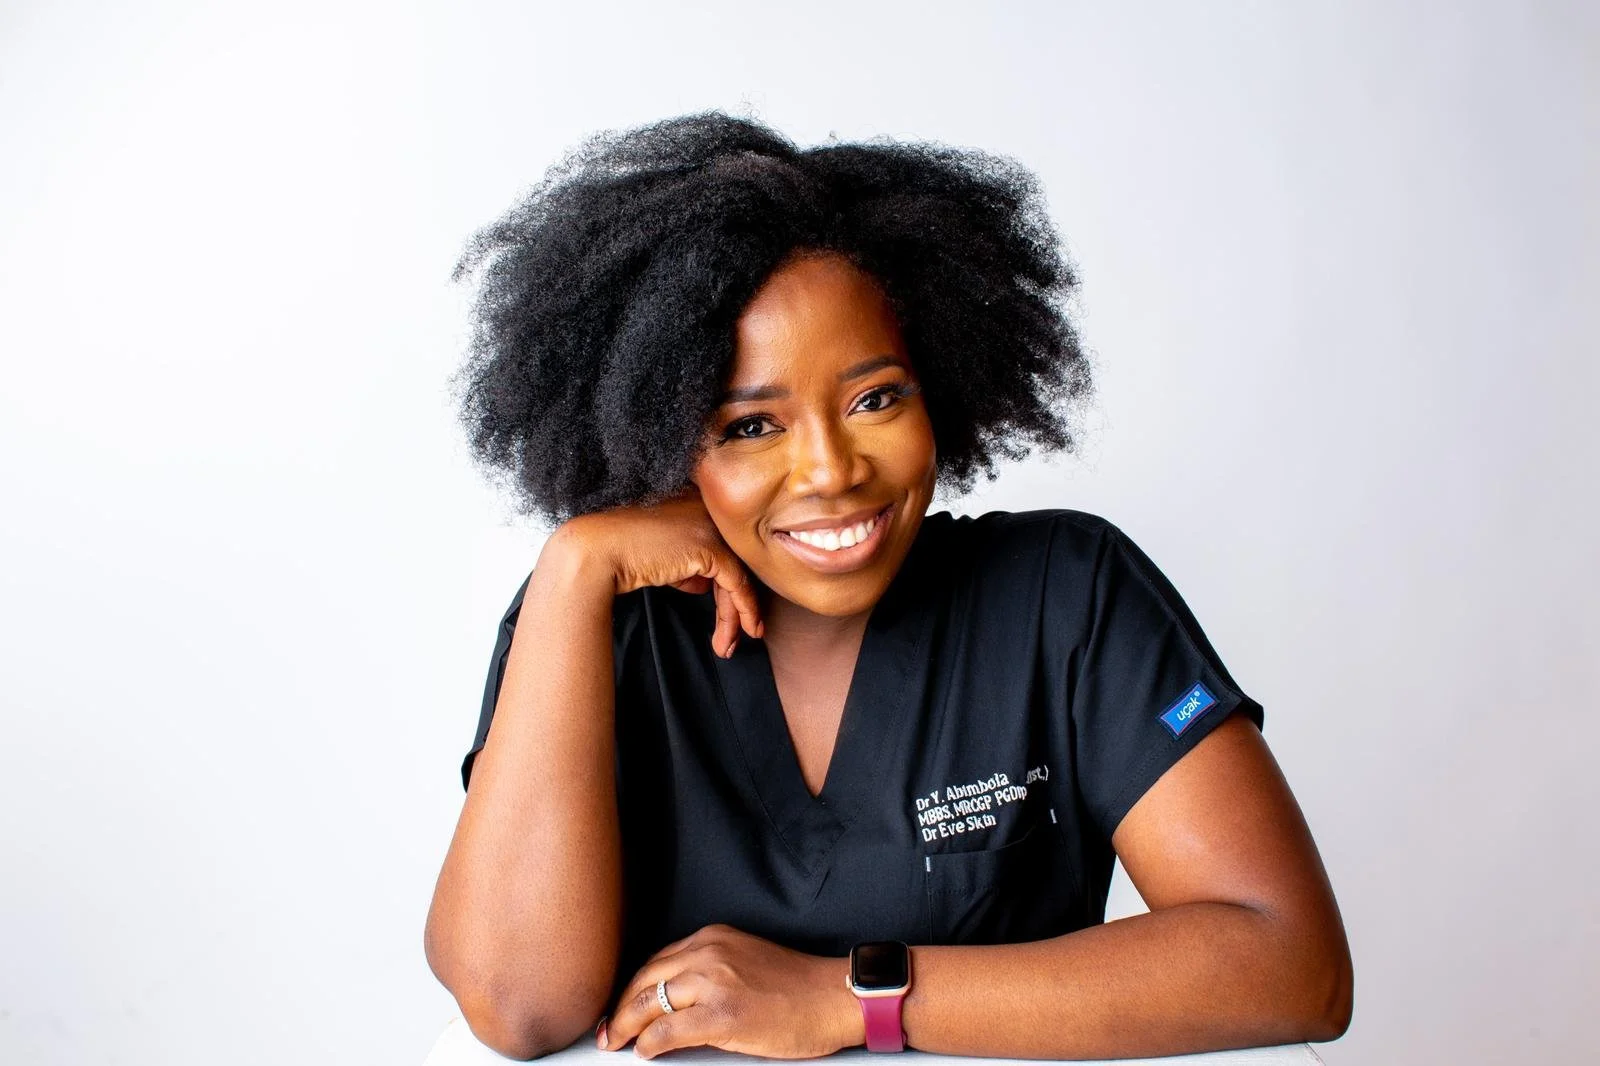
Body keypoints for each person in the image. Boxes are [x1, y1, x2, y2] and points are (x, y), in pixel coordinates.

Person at [423, 112, 1353, 1062]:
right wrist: (575, 563)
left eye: (875, 399)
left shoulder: (1065, 597)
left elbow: (1292, 967)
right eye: (750, 426)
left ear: (937, 389)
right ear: (663, 441)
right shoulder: (599, 621)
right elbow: (516, 1004)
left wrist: (849, 997)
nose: (831, 470)